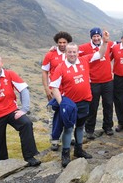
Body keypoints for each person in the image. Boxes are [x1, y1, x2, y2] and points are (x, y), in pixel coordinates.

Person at [50, 33, 109, 167]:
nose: (72, 54)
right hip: (70, 105)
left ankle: (78, 150)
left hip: (85, 101)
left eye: (74, 52)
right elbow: (54, 87)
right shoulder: (61, 67)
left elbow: (100, 54)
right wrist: (62, 104)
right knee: (69, 129)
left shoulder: (84, 60)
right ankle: (65, 154)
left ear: (78, 52)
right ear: (66, 53)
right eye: (69, 52)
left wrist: (105, 42)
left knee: (81, 126)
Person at [0, 55, 41, 166]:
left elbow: (23, 89)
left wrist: (24, 109)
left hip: (11, 111)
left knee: (26, 124)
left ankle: (29, 157)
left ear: (2, 63)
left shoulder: (10, 75)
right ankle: (1, 165)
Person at [79, 27, 115, 139]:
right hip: (93, 82)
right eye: (94, 36)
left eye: (98, 36)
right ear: (91, 37)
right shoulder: (83, 48)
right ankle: (89, 130)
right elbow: (71, 52)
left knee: (108, 105)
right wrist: (55, 48)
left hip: (108, 81)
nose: (96, 38)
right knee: (92, 106)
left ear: (101, 36)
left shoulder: (108, 43)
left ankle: (108, 127)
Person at [41, 31, 73, 151]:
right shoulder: (50, 54)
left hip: (69, 90)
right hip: (54, 91)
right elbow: (44, 71)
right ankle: (54, 139)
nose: (62, 44)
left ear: (68, 42)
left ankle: (69, 137)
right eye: (60, 42)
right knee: (53, 115)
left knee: (69, 112)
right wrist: (46, 88)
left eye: (64, 42)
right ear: (57, 43)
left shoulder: (72, 53)